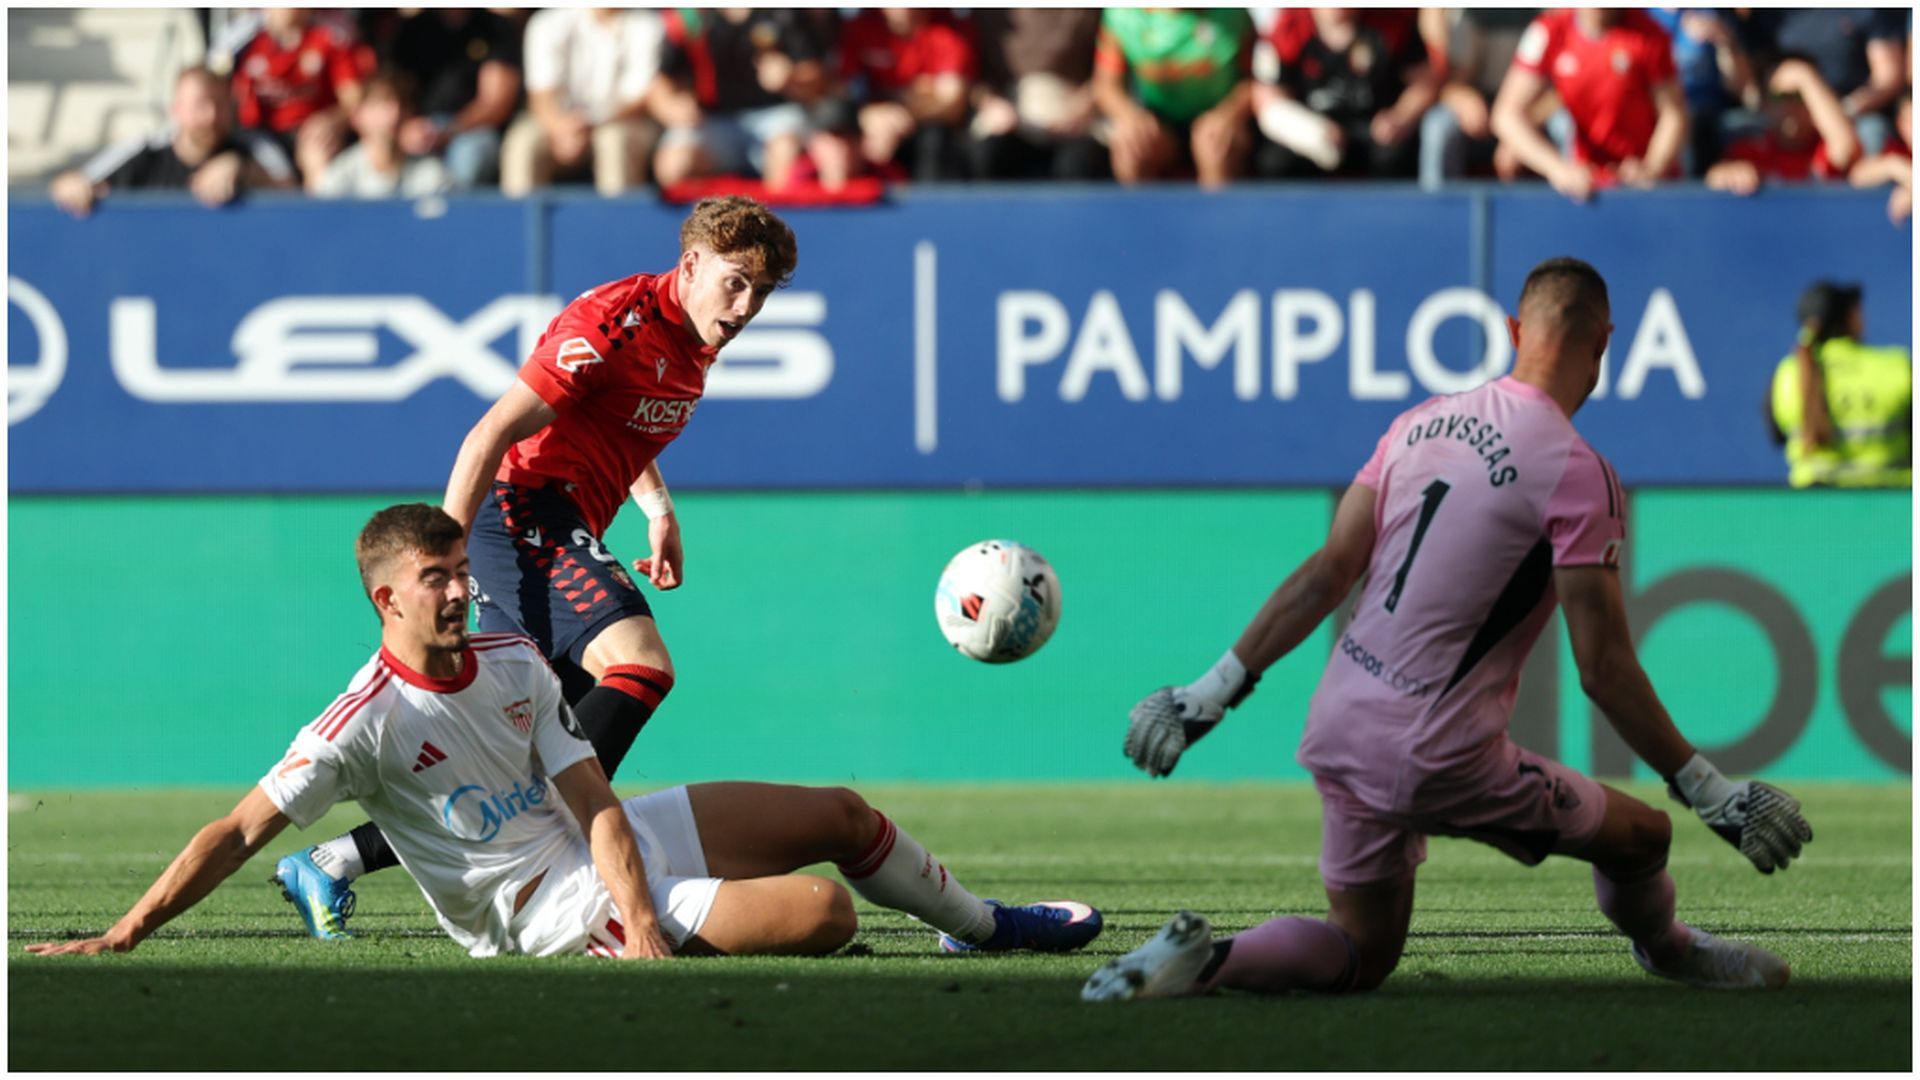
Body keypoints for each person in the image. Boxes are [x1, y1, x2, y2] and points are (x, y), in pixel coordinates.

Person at [1082, 258, 1814, 1003]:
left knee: (1362, 950)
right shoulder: (1578, 469)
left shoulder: (1417, 423)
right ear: (1605, 342)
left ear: (1511, 331)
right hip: (1440, 750)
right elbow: (1602, 668)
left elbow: (1327, 574)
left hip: (1340, 726)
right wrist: (1710, 790)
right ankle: (1671, 949)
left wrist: (1206, 695)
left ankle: (1205, 963)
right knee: (1644, 839)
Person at [26, 505, 1104, 961]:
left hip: (597, 850)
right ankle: (640, 932)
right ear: (385, 603)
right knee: (824, 915)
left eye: (460, 572)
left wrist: (641, 900)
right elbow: (236, 829)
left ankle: (981, 924)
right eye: (433, 582)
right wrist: (126, 933)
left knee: (840, 814)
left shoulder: (510, 662)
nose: (458, 593)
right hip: (540, 909)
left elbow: (592, 801)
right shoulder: (360, 723)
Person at [269, 196, 797, 939]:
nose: (746, 306)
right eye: (736, 282)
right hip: (522, 514)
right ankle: (572, 836)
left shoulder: (696, 335)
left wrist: (658, 510)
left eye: (763, 292)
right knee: (641, 668)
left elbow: (622, 420)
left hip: (562, 521)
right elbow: (487, 435)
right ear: (691, 265)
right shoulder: (612, 326)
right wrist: (443, 557)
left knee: (528, 746)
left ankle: (333, 860)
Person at [1492, 9, 1689, 202]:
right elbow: (1506, 114)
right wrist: (1557, 168)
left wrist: (1651, 168)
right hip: (1586, 187)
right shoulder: (1549, 30)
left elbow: (1673, 114)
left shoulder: (1649, 34)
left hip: (1646, 189)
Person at [49, 65, 295, 217]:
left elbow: (299, 197)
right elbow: (76, 182)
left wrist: (243, 171)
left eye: (219, 105)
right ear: (176, 110)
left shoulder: (252, 147)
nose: (210, 116)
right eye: (199, 105)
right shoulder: (146, 150)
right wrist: (70, 186)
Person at [648, 9, 826, 191]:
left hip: (776, 115)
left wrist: (791, 76)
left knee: (785, 152)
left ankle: (769, 218)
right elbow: (661, 86)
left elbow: (817, 73)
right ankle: (704, 218)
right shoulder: (690, 16)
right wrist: (673, 108)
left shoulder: (783, 12)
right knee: (674, 165)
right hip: (711, 120)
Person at [1253, 7, 1438, 181]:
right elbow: (1269, 96)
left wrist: (1400, 116)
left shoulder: (1391, 22)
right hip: (1319, 135)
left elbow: (1424, 82)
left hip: (1373, 133)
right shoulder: (1290, 28)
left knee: (1395, 156)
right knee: (1275, 162)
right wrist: (1314, 131)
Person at [500, 8, 667, 197]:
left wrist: (591, 123)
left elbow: (641, 99)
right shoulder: (547, 22)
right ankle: (519, 224)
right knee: (523, 142)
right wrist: (559, 127)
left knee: (614, 141)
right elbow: (540, 94)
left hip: (623, 123)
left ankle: (617, 224)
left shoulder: (649, 24)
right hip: (560, 124)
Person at [1767, 281, 1912, 489]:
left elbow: (1777, 435)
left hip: (1815, 513)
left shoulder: (1787, 374)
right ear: (1851, 318)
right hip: (1895, 510)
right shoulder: (1899, 367)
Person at [1092, 7, 1256, 188]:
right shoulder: (1122, 14)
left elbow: (1253, 81)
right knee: (1131, 150)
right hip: (1159, 122)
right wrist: (1130, 116)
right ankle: (1140, 215)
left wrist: (1227, 116)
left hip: (1216, 118)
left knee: (1215, 148)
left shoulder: (1234, 13)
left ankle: (1219, 215)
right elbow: (1106, 85)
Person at [224, 7, 372, 191]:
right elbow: (221, 90)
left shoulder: (329, 38)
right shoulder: (243, 41)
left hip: (311, 134)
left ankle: (314, 217)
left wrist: (332, 120)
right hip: (261, 136)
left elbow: (354, 100)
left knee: (317, 154)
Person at [375, 8, 524, 191]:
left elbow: (496, 103)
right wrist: (407, 129)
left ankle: (457, 217)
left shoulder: (495, 28)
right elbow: (395, 90)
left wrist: (449, 130)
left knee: (470, 154)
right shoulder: (412, 29)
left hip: (472, 131)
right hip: (418, 127)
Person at [967, 8, 1108, 182]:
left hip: (1076, 124)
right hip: (1010, 122)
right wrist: (990, 102)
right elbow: (972, 78)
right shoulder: (987, 13)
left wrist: (1085, 105)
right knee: (987, 154)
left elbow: (1109, 74)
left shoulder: (1091, 12)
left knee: (1078, 164)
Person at [1704, 58, 1860, 197]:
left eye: (1800, 95)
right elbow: (1714, 179)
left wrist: (1805, 76)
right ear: (1764, 104)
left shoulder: (1825, 150)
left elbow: (1846, 148)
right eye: (1780, 96)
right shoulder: (1749, 152)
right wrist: (1727, 175)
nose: (1790, 105)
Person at [314, 71, 452, 200]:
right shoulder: (340, 177)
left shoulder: (432, 174)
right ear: (357, 116)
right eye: (381, 103)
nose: (394, 114)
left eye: (402, 104)